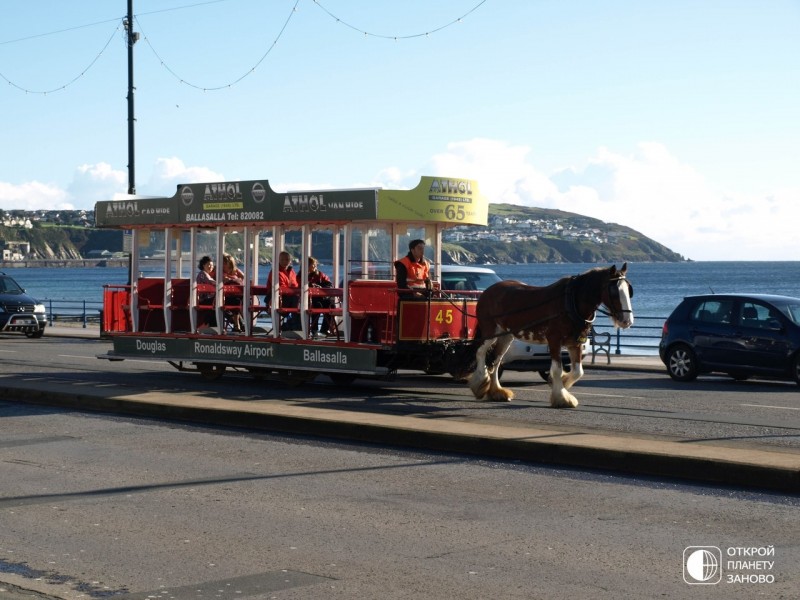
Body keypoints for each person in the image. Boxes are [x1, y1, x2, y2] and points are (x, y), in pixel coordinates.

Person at [266, 251, 300, 329]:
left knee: (301, 301)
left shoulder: (292, 271)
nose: (285, 261)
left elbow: (295, 285)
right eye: (282, 260)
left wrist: (295, 290)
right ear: (278, 260)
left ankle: (296, 325)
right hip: (276, 299)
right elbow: (281, 287)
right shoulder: (275, 272)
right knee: (297, 301)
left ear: (290, 260)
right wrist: (295, 290)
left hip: (290, 298)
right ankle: (294, 325)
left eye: (287, 259)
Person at [301, 256, 334, 335]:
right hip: (307, 299)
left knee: (331, 306)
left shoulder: (320, 274)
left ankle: (324, 329)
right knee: (317, 306)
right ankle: (314, 329)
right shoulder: (301, 275)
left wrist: (321, 287)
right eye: (313, 265)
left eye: (315, 265)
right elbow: (299, 286)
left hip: (320, 297)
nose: (315, 267)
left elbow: (329, 284)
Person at [221, 254, 245, 331]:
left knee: (240, 300)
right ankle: (237, 324)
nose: (223, 265)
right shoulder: (221, 273)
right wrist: (236, 280)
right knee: (237, 301)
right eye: (223, 263)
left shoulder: (236, 271)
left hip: (236, 295)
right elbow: (226, 280)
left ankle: (239, 324)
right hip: (226, 297)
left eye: (225, 263)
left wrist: (236, 280)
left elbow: (244, 276)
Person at [195, 255, 216, 327]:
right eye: (209, 265)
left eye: (212, 265)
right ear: (203, 265)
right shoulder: (203, 274)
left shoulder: (207, 274)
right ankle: (212, 325)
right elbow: (211, 282)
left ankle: (212, 325)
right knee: (218, 303)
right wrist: (221, 283)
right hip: (203, 299)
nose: (211, 267)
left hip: (208, 298)